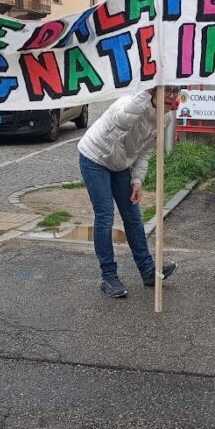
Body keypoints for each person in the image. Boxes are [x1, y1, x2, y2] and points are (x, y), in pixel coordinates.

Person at [78, 86, 180, 298]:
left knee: (133, 216)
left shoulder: (164, 118)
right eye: (168, 91)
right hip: (95, 157)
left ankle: (148, 271)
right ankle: (108, 277)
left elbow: (145, 151)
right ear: (152, 90)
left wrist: (137, 181)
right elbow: (124, 121)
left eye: (176, 91)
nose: (173, 96)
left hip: (121, 164)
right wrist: (146, 92)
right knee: (105, 215)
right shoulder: (128, 105)